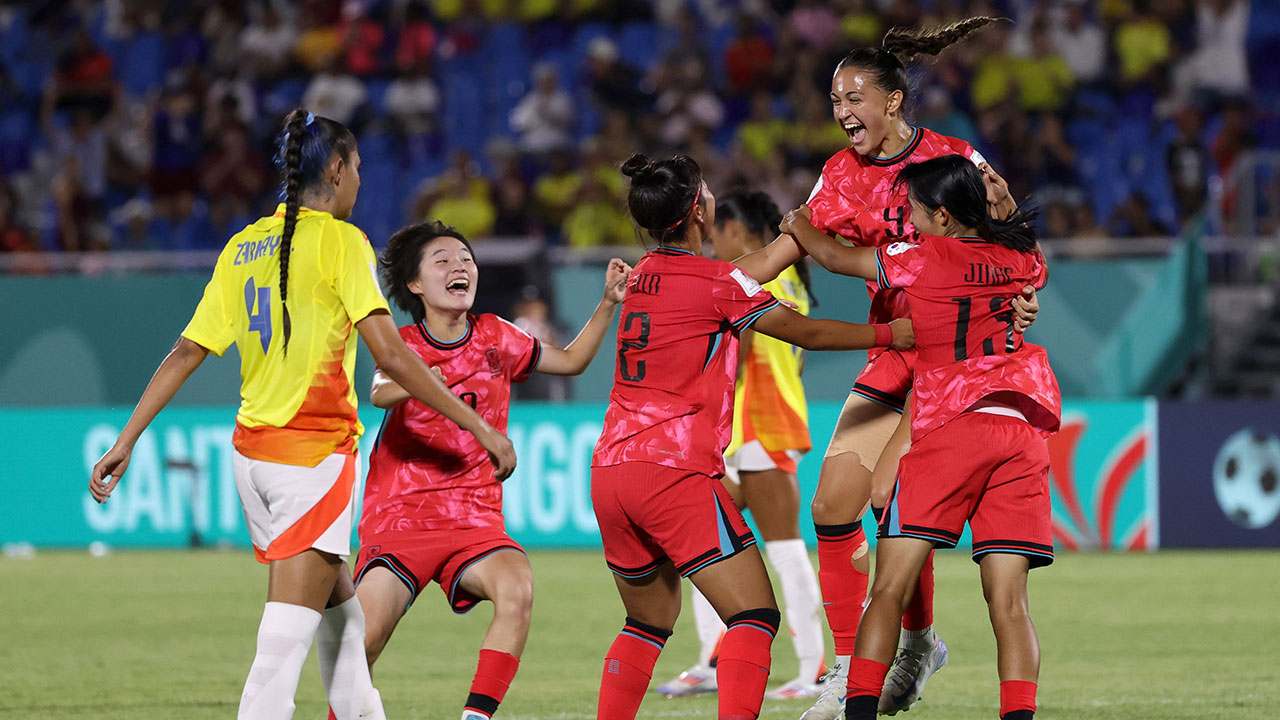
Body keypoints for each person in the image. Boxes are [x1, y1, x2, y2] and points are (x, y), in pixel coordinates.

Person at [88, 108, 516, 720]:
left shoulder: (243, 245)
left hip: (253, 462)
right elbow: (392, 354)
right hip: (310, 460)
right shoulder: (342, 242)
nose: (361, 179)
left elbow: (186, 351)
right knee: (278, 662)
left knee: (346, 633)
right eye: (358, 167)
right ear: (336, 170)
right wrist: (478, 426)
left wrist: (127, 439)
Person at [731, 20, 1041, 719]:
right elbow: (780, 254)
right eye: (834, 100)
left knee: (886, 498)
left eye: (854, 97)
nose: (842, 111)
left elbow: (1016, 243)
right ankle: (876, 659)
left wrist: (1025, 301)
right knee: (831, 505)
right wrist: (709, 289)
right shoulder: (840, 176)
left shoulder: (958, 160)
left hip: (954, 362)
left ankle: (903, 652)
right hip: (896, 352)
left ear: (893, 101)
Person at [591, 153, 913, 720]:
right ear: (699, 210)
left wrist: (808, 220)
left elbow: (756, 265)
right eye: (708, 190)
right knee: (754, 616)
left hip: (611, 471)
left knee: (646, 621)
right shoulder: (717, 283)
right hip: (673, 467)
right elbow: (808, 332)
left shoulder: (641, 276)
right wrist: (894, 333)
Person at [777, 153, 1060, 720]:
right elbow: (1032, 263)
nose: (908, 220)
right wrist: (1005, 206)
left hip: (951, 427)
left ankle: (860, 708)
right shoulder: (1019, 258)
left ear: (945, 217)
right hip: (1019, 430)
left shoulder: (923, 256)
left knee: (887, 589)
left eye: (914, 210)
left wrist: (798, 224)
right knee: (1010, 605)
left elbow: (835, 258)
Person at [347, 221, 630, 720]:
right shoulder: (402, 344)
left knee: (517, 588)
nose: (460, 266)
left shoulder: (497, 336)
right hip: (401, 518)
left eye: (465, 258)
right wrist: (422, 380)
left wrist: (608, 303)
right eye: (442, 260)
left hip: (474, 519)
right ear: (415, 284)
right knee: (363, 641)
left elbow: (571, 362)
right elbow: (380, 392)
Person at [655, 191, 826, 700]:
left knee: (782, 547)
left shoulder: (757, 279)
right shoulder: (789, 277)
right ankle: (713, 661)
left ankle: (814, 668)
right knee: (703, 543)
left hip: (761, 426)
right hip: (757, 427)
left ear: (734, 230)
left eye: (717, 235)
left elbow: (736, 344)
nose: (713, 245)